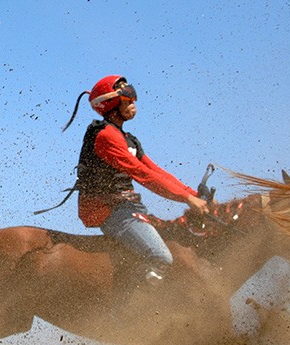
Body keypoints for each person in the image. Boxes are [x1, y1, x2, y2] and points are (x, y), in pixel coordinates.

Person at [62, 75, 210, 283]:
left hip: (127, 207)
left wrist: (192, 194)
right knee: (161, 257)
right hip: (107, 210)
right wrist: (186, 199)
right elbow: (142, 175)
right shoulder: (105, 137)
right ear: (111, 102)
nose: (134, 102)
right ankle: (126, 311)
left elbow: (156, 171)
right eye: (127, 97)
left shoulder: (128, 140)